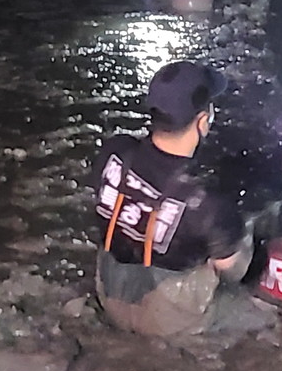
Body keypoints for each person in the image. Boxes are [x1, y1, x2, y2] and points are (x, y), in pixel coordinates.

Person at [91, 60, 251, 338]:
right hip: (167, 322)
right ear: (203, 121)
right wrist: (242, 231)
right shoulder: (206, 200)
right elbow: (234, 271)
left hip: (110, 297)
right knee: (262, 314)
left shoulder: (115, 151)